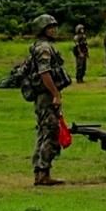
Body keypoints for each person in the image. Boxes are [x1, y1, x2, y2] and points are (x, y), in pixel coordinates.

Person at [29, 13, 72, 187]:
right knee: (50, 132)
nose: (54, 30)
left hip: (45, 95)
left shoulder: (41, 46)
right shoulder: (44, 48)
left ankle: (41, 172)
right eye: (50, 27)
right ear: (43, 30)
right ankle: (43, 173)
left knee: (44, 132)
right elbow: (44, 73)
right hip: (46, 95)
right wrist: (55, 93)